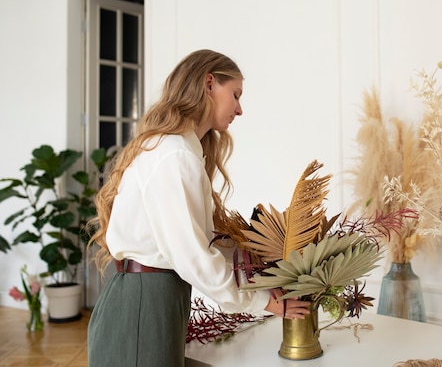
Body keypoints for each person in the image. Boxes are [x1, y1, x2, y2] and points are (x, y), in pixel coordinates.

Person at [87, 49, 310, 367]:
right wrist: (261, 301)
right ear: (209, 84)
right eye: (235, 94)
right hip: (143, 304)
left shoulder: (177, 151)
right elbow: (194, 257)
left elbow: (203, 243)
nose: (240, 109)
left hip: (154, 298)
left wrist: (262, 271)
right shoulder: (174, 155)